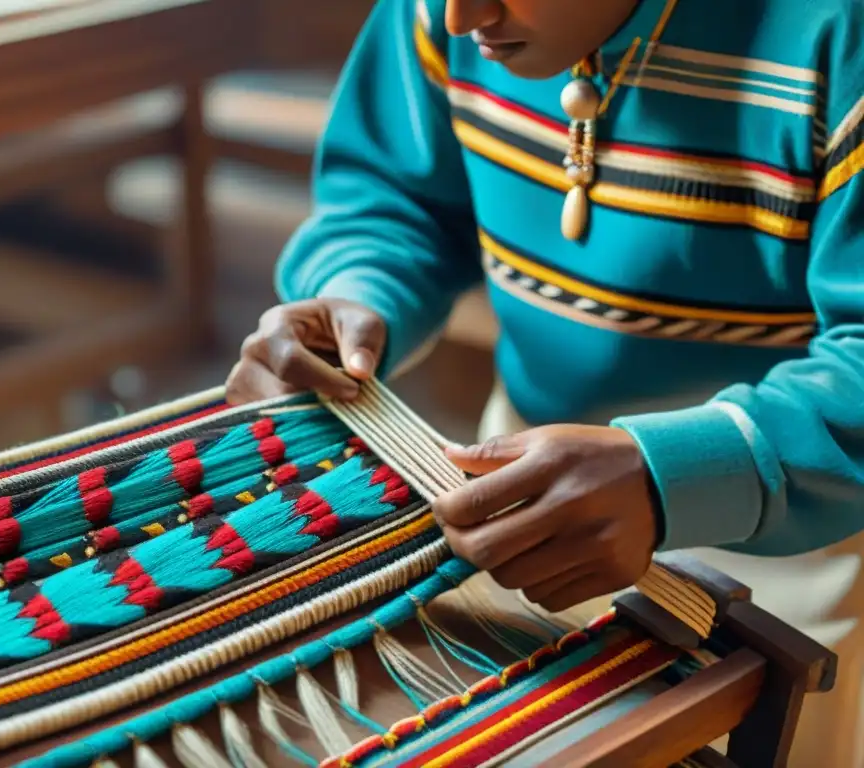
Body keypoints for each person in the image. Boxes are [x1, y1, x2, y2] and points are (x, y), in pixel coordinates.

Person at [226, 0, 864, 754]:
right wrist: (354, 292)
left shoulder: (836, 30)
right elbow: (395, 197)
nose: (460, 18)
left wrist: (669, 477)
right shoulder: (438, 9)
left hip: (796, 538)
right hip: (517, 491)